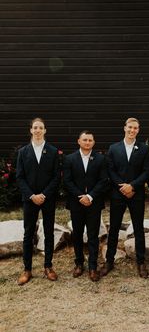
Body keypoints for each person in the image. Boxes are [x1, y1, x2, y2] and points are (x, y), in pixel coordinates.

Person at [100, 117, 149, 278]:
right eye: (130, 127)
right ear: (124, 128)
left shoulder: (144, 149)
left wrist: (133, 186)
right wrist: (123, 186)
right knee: (114, 228)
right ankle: (109, 261)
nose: (132, 130)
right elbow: (110, 170)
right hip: (118, 194)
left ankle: (141, 262)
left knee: (138, 228)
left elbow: (147, 171)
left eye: (135, 128)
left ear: (138, 130)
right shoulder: (114, 148)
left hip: (136, 194)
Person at [16, 117, 60, 285]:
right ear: (31, 130)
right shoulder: (23, 152)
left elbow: (56, 177)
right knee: (28, 234)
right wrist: (31, 195)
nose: (38, 130)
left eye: (41, 127)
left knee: (49, 232)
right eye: (35, 127)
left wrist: (44, 195)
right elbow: (20, 177)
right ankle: (27, 269)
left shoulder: (53, 151)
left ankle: (48, 266)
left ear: (45, 130)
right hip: (29, 199)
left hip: (47, 199)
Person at [63, 131, 108, 282]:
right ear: (79, 141)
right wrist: (80, 196)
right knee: (77, 234)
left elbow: (103, 180)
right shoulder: (69, 159)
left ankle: (93, 266)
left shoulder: (101, 159)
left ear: (93, 142)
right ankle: (79, 263)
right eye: (84, 140)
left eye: (90, 140)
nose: (87, 142)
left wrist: (90, 196)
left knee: (93, 235)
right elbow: (67, 181)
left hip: (94, 203)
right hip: (76, 203)